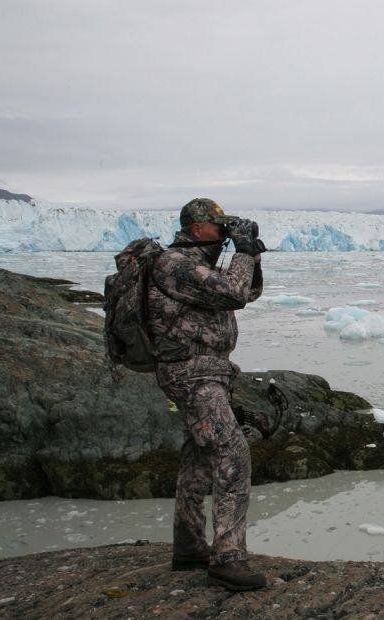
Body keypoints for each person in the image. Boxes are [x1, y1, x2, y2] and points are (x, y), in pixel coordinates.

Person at [148, 198, 267, 591]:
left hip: (206, 371)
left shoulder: (196, 264)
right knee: (232, 454)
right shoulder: (175, 264)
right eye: (218, 226)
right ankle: (228, 556)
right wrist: (243, 251)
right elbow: (232, 293)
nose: (224, 231)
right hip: (192, 373)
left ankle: (189, 547)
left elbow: (247, 293)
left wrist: (252, 256)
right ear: (196, 228)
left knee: (198, 459)